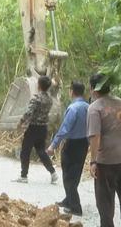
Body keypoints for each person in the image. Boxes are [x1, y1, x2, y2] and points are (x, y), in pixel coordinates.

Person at [87, 73, 121, 227]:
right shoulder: (120, 102)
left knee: (105, 205)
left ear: (93, 89)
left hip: (107, 162)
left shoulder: (94, 108)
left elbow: (95, 137)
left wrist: (93, 161)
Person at [46, 81, 89, 217]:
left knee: (68, 175)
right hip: (84, 144)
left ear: (72, 91)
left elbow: (64, 129)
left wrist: (53, 145)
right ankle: (68, 200)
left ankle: (76, 207)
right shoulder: (89, 107)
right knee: (75, 173)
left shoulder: (73, 108)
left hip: (72, 144)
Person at [12, 75, 58, 184]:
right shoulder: (49, 99)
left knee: (25, 151)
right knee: (41, 151)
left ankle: (24, 175)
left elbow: (29, 112)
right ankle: (53, 172)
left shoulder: (36, 98)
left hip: (33, 128)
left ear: (39, 85)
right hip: (43, 128)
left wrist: (21, 122)